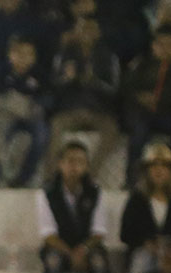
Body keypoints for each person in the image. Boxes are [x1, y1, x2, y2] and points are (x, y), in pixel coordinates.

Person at [37, 139, 110, 273]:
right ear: (60, 164)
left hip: (87, 246)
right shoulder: (47, 193)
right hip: (60, 246)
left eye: (80, 162)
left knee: (100, 266)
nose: (74, 167)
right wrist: (71, 253)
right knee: (52, 265)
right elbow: (48, 234)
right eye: (70, 161)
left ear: (86, 166)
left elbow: (99, 232)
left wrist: (83, 250)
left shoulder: (95, 192)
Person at [44, 14, 120, 178]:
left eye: (91, 29)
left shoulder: (108, 57)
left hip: (98, 112)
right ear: (76, 32)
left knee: (112, 131)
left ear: (98, 32)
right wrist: (67, 79)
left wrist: (94, 81)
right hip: (71, 110)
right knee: (55, 126)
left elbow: (114, 90)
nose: (86, 33)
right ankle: (52, 177)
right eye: (82, 28)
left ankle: (89, 176)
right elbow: (53, 86)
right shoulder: (64, 55)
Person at [122, 23, 171, 188]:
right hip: (141, 113)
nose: (166, 49)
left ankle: (162, 163)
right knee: (138, 134)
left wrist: (164, 100)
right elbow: (125, 88)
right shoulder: (142, 64)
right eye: (162, 45)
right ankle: (131, 180)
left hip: (167, 114)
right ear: (154, 46)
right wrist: (141, 97)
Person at [119, 142, 171, 273]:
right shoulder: (137, 200)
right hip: (143, 252)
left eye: (164, 166)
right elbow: (125, 234)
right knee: (142, 264)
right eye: (154, 166)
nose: (158, 170)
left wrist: (167, 244)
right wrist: (146, 243)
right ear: (146, 171)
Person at [0, 34, 48, 189]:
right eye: (19, 53)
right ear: (10, 54)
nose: (23, 58)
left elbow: (46, 99)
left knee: (41, 135)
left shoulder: (40, 75)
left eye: (28, 54)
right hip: (6, 114)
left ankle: (24, 178)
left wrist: (33, 106)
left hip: (31, 116)